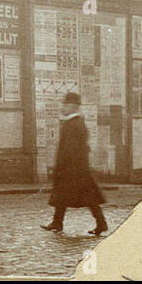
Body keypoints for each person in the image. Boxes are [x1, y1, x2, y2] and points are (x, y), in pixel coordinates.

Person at [42, 91, 108, 236]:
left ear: (74, 106)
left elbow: (70, 150)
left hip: (74, 169)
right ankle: (57, 223)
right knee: (65, 196)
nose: (63, 107)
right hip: (76, 169)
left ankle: (100, 223)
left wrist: (61, 167)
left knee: (87, 198)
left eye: (65, 104)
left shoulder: (74, 124)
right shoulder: (74, 123)